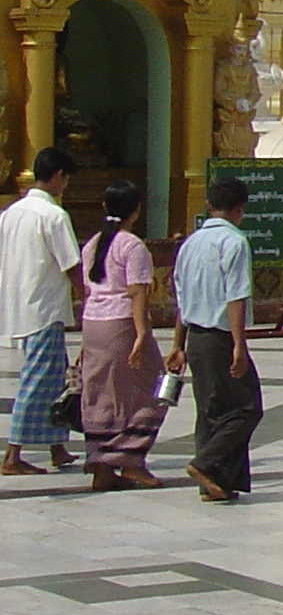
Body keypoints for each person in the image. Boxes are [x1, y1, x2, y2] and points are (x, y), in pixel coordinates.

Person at [168, 175, 261, 503]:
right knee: (247, 408)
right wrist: (239, 344)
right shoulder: (234, 242)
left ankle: (217, 484)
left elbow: (181, 298)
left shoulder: (189, 244)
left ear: (209, 205)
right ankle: (206, 464)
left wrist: (178, 344)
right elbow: (236, 296)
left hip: (196, 337)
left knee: (211, 410)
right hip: (221, 336)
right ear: (240, 210)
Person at [77, 179, 164, 489]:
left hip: (93, 324)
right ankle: (130, 459)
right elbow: (137, 293)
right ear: (136, 210)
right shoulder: (132, 246)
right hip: (121, 324)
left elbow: (88, 289)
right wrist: (142, 334)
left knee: (101, 391)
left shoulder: (92, 244)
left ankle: (101, 463)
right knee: (151, 387)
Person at [0, 147, 82, 477]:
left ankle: (56, 446)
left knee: (55, 378)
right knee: (37, 380)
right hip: (44, 309)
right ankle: (12, 454)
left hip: (18, 304)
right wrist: (87, 295)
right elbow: (71, 263)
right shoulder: (53, 216)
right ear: (58, 177)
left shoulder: (10, 213)